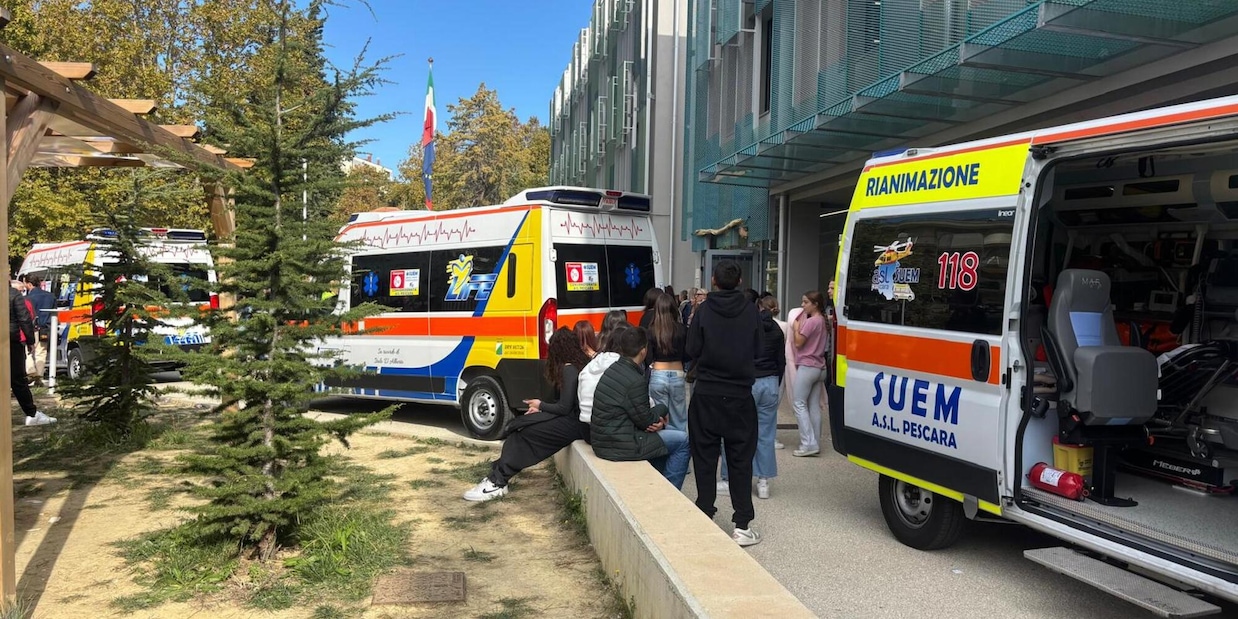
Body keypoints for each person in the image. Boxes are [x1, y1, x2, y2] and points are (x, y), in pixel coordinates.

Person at [686, 260, 763, 547]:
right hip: (740, 394)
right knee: (740, 460)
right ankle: (742, 525)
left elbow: (691, 349)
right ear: (740, 281)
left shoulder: (704, 310)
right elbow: (759, 349)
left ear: (713, 282)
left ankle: (705, 513)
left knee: (704, 457)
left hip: (706, 392)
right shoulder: (751, 310)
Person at [464, 328, 590, 501]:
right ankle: (500, 473)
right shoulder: (576, 365)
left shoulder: (569, 370)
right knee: (521, 425)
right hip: (575, 420)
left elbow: (564, 407)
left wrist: (540, 405)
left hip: (573, 423)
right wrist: (541, 409)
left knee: (524, 431)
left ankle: (498, 481)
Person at [590, 327, 690, 489]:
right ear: (643, 351)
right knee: (682, 441)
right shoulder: (635, 380)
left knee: (666, 436)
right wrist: (662, 409)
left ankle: (658, 484)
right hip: (621, 445)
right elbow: (646, 421)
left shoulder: (613, 370)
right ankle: (669, 491)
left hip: (604, 441)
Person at [719, 295, 785, 498]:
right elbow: (781, 361)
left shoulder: (746, 328)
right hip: (770, 381)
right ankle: (763, 482)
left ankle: (729, 478)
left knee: (735, 431)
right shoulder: (777, 330)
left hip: (748, 382)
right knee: (766, 434)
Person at [790, 290, 829, 457]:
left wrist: (796, 328)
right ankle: (815, 443)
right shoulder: (822, 321)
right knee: (813, 406)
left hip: (807, 366)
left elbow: (799, 343)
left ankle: (808, 443)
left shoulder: (811, 321)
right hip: (820, 367)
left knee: (798, 404)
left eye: (806, 302)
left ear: (815, 304)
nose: (802, 305)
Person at [10, 287, 54, 426]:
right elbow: (24, 318)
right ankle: (31, 413)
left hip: (10, 339)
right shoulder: (13, 294)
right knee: (17, 379)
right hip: (11, 341)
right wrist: (30, 341)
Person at [647, 292, 689, 432]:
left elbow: (648, 357)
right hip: (678, 373)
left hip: (658, 373)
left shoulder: (651, 330)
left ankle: (663, 443)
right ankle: (680, 443)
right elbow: (688, 353)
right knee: (679, 418)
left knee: (659, 418)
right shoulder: (682, 329)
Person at [24, 275, 55, 383]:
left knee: (28, 351)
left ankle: (31, 370)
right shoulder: (51, 296)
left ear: (29, 284)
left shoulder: (27, 298)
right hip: (45, 328)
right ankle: (39, 377)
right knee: (41, 353)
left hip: (31, 328)